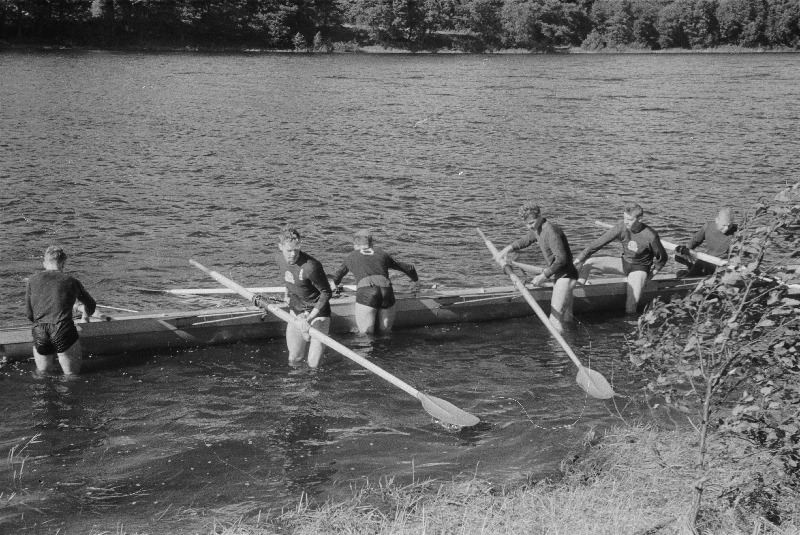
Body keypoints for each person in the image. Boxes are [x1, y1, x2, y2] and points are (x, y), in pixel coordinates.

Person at [253, 227, 332, 368]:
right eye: (289, 250)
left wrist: (308, 319)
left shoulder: (311, 266)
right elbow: (288, 278)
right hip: (296, 310)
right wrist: (286, 296)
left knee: (313, 365)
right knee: (294, 359)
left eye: (297, 249)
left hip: (317, 313)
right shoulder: (278, 258)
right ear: (280, 247)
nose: (293, 254)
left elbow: (326, 293)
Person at [494, 202, 579, 333]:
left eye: (532, 223)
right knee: (566, 317)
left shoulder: (551, 231)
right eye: (527, 224)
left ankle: (559, 352)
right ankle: (572, 339)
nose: (530, 227)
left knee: (554, 320)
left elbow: (562, 259)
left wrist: (543, 276)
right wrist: (504, 251)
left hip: (565, 276)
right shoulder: (538, 228)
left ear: (540, 216)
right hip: (562, 275)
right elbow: (526, 240)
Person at [574, 203, 668, 315]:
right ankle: (576, 293)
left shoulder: (650, 235)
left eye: (629, 219)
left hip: (639, 269)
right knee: (588, 263)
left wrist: (650, 276)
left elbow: (662, 258)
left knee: (630, 306)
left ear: (640, 219)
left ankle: (630, 324)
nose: (626, 222)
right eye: (624, 218)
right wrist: (578, 260)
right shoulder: (622, 227)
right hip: (625, 264)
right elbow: (596, 244)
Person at [25, 245, 97, 375]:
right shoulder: (71, 281)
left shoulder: (32, 280)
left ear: (44, 263)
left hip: (40, 330)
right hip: (63, 329)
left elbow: (29, 314)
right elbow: (91, 305)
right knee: (71, 377)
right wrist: (85, 317)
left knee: (42, 375)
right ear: (63, 262)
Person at [331, 230, 419, 334]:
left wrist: (334, 285)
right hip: (387, 292)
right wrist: (415, 281)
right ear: (371, 244)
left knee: (366, 335)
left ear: (355, 245)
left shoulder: (351, 257)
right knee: (385, 334)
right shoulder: (383, 254)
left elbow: (338, 276)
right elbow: (409, 268)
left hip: (367, 292)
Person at [675, 208, 737, 277]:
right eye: (724, 225)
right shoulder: (708, 226)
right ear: (717, 220)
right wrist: (685, 249)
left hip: (721, 265)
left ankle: (687, 278)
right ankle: (691, 270)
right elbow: (694, 241)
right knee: (679, 254)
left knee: (701, 262)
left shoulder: (737, 232)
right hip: (708, 260)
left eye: (730, 225)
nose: (727, 228)